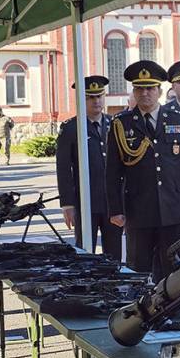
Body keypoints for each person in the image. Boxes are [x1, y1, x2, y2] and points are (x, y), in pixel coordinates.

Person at [106, 61, 180, 280]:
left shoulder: (177, 119)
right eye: (140, 88)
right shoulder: (122, 124)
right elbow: (112, 171)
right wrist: (115, 209)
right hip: (139, 209)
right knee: (138, 268)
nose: (145, 93)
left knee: (174, 269)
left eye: (150, 88)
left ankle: (176, 311)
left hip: (173, 208)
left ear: (159, 91)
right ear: (134, 92)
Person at [56, 76, 122, 260]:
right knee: (84, 253)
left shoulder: (115, 124)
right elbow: (63, 168)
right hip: (85, 201)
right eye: (90, 97)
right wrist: (67, 204)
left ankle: (113, 287)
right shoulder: (71, 128)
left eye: (99, 96)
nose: (96, 101)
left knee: (114, 253)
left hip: (112, 203)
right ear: (82, 100)